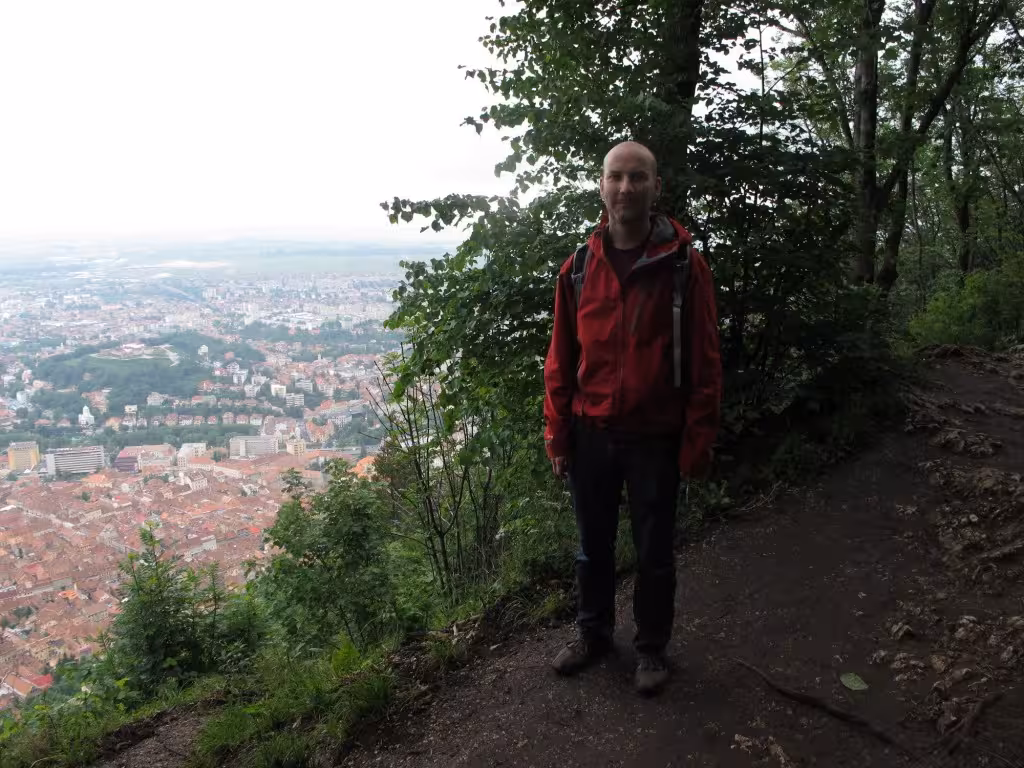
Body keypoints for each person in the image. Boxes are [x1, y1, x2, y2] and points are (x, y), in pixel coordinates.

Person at [543, 141, 722, 696]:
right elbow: (560, 359)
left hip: (655, 436)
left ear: (655, 187)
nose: (626, 188)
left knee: (653, 551)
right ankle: (593, 634)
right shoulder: (578, 269)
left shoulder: (683, 267)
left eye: (637, 177)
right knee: (591, 546)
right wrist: (558, 433)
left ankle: (651, 649)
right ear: (600, 186)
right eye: (616, 177)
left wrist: (697, 439)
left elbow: (705, 359)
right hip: (592, 431)